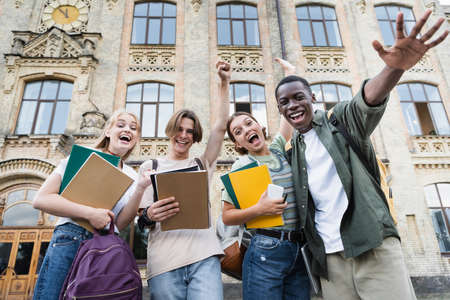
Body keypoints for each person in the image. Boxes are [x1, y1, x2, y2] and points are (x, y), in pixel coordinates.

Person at [274, 10, 448, 300]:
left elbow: (367, 99)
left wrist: (396, 68)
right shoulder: (292, 152)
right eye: (284, 102)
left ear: (312, 97)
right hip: (330, 261)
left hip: (372, 246)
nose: (292, 105)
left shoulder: (340, 121)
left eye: (298, 97)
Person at [32, 110, 151, 300]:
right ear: (108, 132)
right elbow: (42, 199)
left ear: (136, 138)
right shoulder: (82, 157)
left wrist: (140, 189)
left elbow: (119, 224)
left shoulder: (132, 175)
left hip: (105, 246)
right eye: (120, 125)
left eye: (133, 128)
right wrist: (90, 214)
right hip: (70, 238)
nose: (127, 129)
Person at [138, 61, 231, 300]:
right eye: (180, 129)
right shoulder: (151, 167)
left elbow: (220, 128)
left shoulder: (202, 164)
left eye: (190, 131)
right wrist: (151, 214)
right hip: (164, 262)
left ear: (195, 136)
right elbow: (141, 219)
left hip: (204, 257)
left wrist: (224, 82)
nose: (184, 135)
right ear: (171, 131)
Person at [222, 58, 310, 300]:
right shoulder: (243, 165)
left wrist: (290, 74)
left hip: (298, 248)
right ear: (238, 144)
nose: (246, 130)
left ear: (259, 126)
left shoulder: (280, 150)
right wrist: (259, 209)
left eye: (248, 123)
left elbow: (286, 121)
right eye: (238, 132)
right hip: (265, 248)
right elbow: (227, 216)